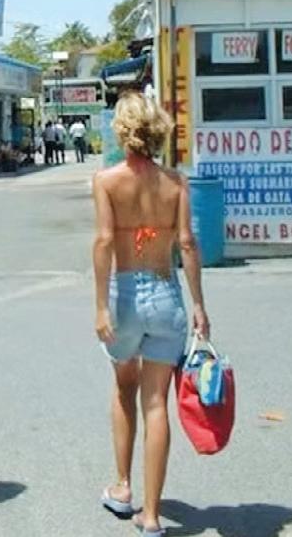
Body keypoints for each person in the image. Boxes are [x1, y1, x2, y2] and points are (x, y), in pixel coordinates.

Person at [92, 92, 210, 537]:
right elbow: (187, 244)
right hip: (166, 293)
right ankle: (153, 516)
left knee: (125, 386)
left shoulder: (106, 181)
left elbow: (105, 241)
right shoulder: (176, 183)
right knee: (156, 401)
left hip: (123, 294)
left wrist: (100, 305)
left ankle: (123, 488)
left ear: (122, 132)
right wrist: (198, 305)